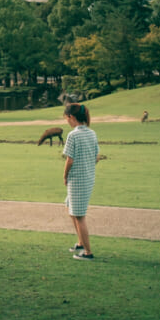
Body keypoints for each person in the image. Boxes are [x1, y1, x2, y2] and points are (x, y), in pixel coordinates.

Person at [62, 102, 99, 260]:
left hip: (77, 180)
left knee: (79, 215)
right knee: (70, 206)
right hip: (88, 177)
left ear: (71, 117)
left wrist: (65, 176)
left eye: (66, 118)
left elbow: (69, 160)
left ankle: (88, 252)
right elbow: (96, 157)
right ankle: (80, 242)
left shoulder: (73, 135)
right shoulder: (92, 133)